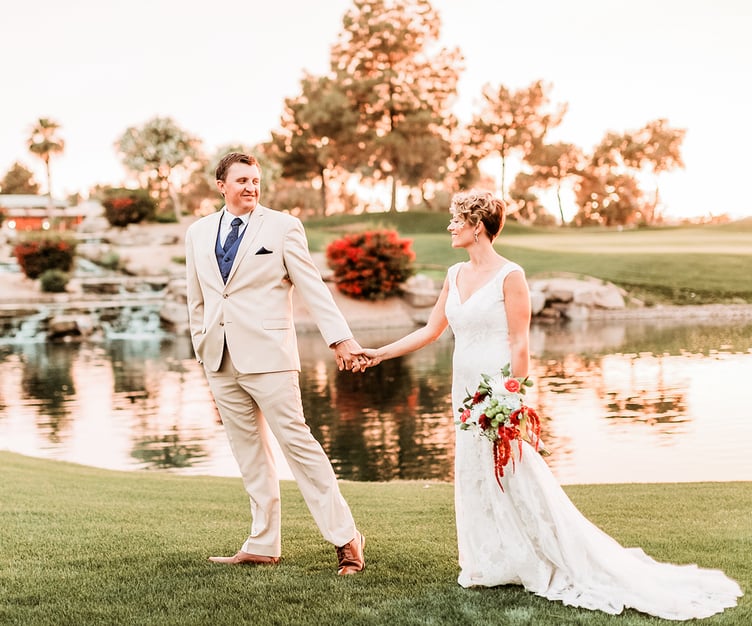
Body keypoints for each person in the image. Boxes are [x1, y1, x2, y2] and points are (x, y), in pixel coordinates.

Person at [362, 189, 742, 619]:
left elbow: (520, 340)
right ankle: (489, 562)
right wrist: (378, 353)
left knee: (515, 471)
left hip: (497, 390)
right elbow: (431, 331)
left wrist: (511, 395)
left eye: (456, 220)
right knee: (474, 471)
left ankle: (545, 556)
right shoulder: (453, 274)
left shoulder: (511, 275)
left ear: (478, 226)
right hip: (462, 389)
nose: (450, 226)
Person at [184, 152, 366, 575]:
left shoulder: (283, 227)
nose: (251, 187)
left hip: (270, 357)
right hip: (219, 357)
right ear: (221, 185)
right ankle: (263, 543)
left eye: (255, 180)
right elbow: (197, 297)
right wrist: (201, 343)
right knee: (249, 453)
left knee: (299, 448)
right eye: (242, 180)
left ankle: (346, 539)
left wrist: (340, 339)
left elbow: (312, 287)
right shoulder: (197, 232)